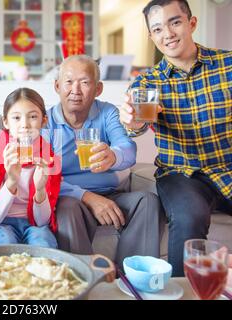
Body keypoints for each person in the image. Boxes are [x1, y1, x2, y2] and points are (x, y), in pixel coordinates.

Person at [119, 0, 232, 276]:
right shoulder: (147, 83)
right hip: (181, 174)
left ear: (191, 23)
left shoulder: (228, 65)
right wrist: (133, 122)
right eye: (157, 29)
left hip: (227, 167)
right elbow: (135, 127)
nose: (167, 34)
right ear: (151, 36)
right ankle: (183, 292)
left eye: (175, 22)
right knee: (187, 216)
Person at [44, 55, 164, 266]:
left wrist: (113, 156)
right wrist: (87, 197)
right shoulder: (46, 122)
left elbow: (127, 149)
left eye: (85, 82)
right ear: (57, 86)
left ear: (98, 89)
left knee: (148, 201)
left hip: (110, 194)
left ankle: (130, 278)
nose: (76, 90)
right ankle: (84, 278)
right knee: (67, 208)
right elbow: (44, 176)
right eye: (69, 81)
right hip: (70, 198)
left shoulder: (107, 112)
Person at [0, 88, 62, 248]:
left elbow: (42, 221)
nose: (24, 125)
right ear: (5, 122)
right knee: (3, 244)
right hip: (2, 224)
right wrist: (11, 181)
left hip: (34, 224)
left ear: (43, 121)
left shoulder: (50, 160)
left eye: (32, 117)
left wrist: (40, 189)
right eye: (16, 118)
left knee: (43, 243)